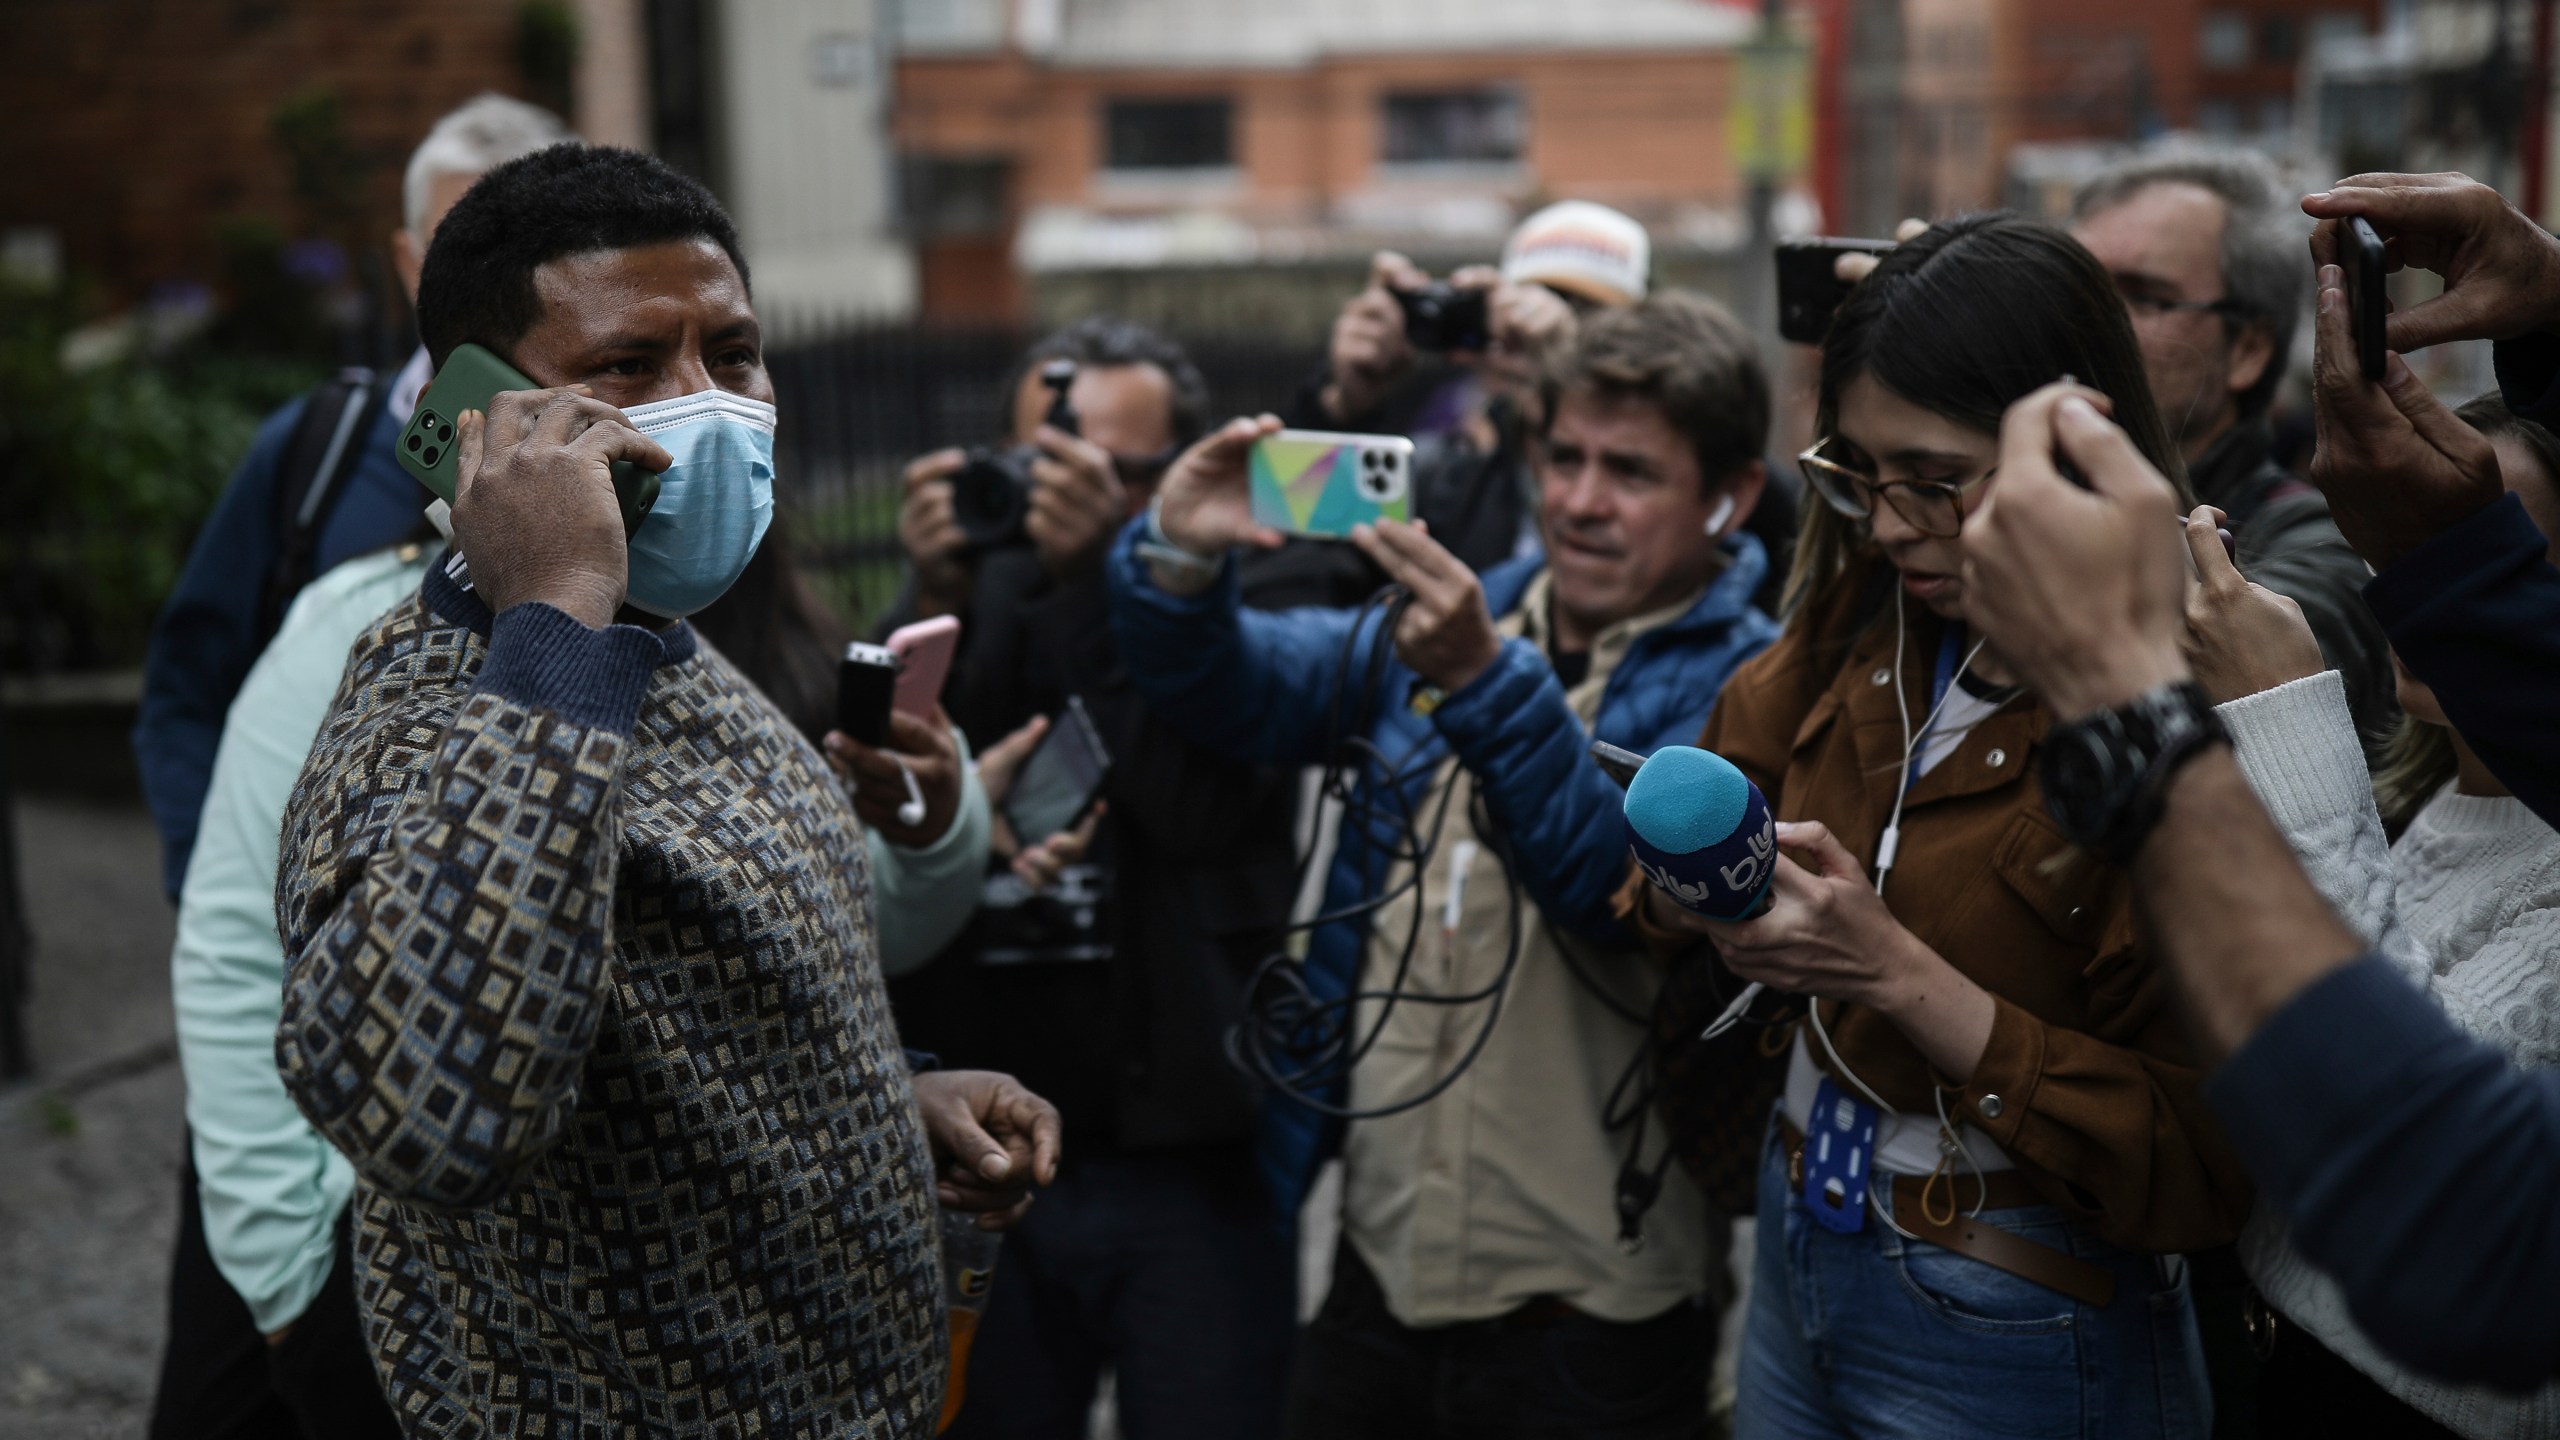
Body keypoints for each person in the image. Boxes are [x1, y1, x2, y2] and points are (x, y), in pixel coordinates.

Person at [270, 143, 1061, 1437]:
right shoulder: (423, 709)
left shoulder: (681, 659)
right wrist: (558, 607)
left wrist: (877, 1106)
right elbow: (434, 1117)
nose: (710, 407)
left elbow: (671, 1020)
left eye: (733, 355)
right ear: (478, 414)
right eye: (630, 364)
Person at [1112, 291, 1781, 1439]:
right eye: (1560, 456)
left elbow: (1610, 894)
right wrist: (1175, 551)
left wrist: (1481, 681)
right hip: (1384, 1263)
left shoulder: (1754, 682)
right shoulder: (1465, 619)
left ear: (1732, 496)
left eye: (1631, 471)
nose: (1578, 501)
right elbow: (1228, 687)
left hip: (1596, 1302)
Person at [1637, 216, 2250, 1440]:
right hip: (1805, 1229)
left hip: (2011, 1304)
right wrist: (1711, 896)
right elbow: (1715, 789)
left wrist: (1893, 973)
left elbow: (2204, 1157)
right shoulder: (1876, 616)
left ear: (2075, 451)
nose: (1886, 524)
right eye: (1857, 476)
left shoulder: (2194, 689)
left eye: (1931, 481)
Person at [1947, 174, 2560, 1389]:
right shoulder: (2434, 790)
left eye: (2140, 294)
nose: (2100, 329)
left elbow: (2446, 1221)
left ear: (2245, 347)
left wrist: (2144, 704)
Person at [138, 92, 575, 1440]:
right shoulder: (324, 460)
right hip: (292, 1063)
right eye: (464, 234)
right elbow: (186, 694)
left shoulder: (659, 513)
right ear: (407, 261)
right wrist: (230, 893)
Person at [879, 316, 1307, 1440]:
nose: (1071, 494)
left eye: (1113, 474)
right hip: (979, 1163)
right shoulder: (969, 598)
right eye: (1042, 467)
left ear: (1182, 476)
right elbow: (869, 812)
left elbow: (1200, 810)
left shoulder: (1236, 617)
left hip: (1186, 1165)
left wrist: (1093, 586)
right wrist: (933, 595)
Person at [2182, 391, 2560, 1438]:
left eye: (2490, 552)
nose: (2417, 583)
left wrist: (2284, 721)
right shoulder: (2414, 789)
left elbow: (2404, 1152)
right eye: (2406, 535)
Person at [2072, 146, 2396, 746]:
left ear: (2247, 350)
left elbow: (2225, 678)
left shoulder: (2323, 544)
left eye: (2143, 295)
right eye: (2075, 288)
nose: (2085, 321)